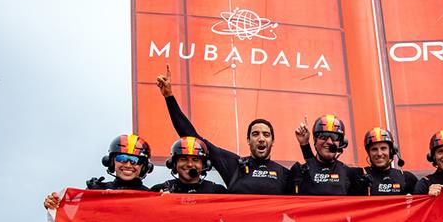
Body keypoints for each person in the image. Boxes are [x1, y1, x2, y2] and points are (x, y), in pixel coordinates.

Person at [156, 65, 292, 194]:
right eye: (255, 134)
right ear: (248, 141)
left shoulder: (285, 174)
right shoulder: (234, 165)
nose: (261, 138)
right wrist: (169, 96)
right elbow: (192, 136)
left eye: (266, 134)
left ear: (273, 141)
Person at [44, 134, 152, 210]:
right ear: (110, 162)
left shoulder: (152, 197)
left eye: (135, 161)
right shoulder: (95, 191)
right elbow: (71, 213)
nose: (128, 165)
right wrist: (55, 204)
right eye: (122, 158)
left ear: (143, 167)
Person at [293, 115, 365, 195]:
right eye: (324, 136)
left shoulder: (350, 174)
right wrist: (304, 144)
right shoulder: (300, 171)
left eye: (335, 137)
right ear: (315, 140)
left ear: (341, 143)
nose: (330, 142)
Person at [151, 137, 227, 194]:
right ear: (173, 164)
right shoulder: (158, 191)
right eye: (183, 159)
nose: (190, 164)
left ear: (204, 165)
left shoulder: (218, 191)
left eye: (195, 160)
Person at [360, 127, 417, 196]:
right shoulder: (359, 177)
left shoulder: (407, 178)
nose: (379, 154)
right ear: (368, 153)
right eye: (374, 149)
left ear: (392, 151)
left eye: (383, 148)